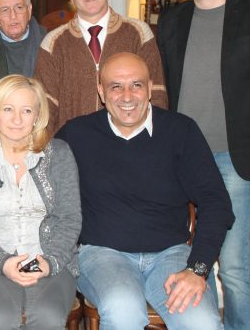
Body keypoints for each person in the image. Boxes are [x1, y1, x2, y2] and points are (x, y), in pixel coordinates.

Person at [56, 52, 234, 330]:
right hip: (103, 255)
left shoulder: (181, 131)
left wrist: (197, 268)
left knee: (202, 323)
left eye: (136, 85)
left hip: (171, 256)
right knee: (123, 311)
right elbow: (34, 166)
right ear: (101, 91)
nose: (127, 96)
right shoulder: (77, 134)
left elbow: (216, 203)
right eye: (116, 86)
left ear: (150, 88)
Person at [157, 0, 250, 330]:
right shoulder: (171, 21)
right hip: (181, 157)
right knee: (178, 253)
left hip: (236, 158)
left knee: (234, 264)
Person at [0, 74, 80, 330]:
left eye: (26, 110)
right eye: (8, 109)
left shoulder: (59, 154)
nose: (17, 119)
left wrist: (48, 262)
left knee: (47, 316)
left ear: (38, 116)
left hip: (50, 258)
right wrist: (2, 262)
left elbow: (69, 219)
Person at [34, 0, 167, 136]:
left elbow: (157, 95)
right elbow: (44, 110)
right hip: (73, 148)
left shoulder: (139, 34)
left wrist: (152, 143)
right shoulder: (53, 44)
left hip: (131, 145)